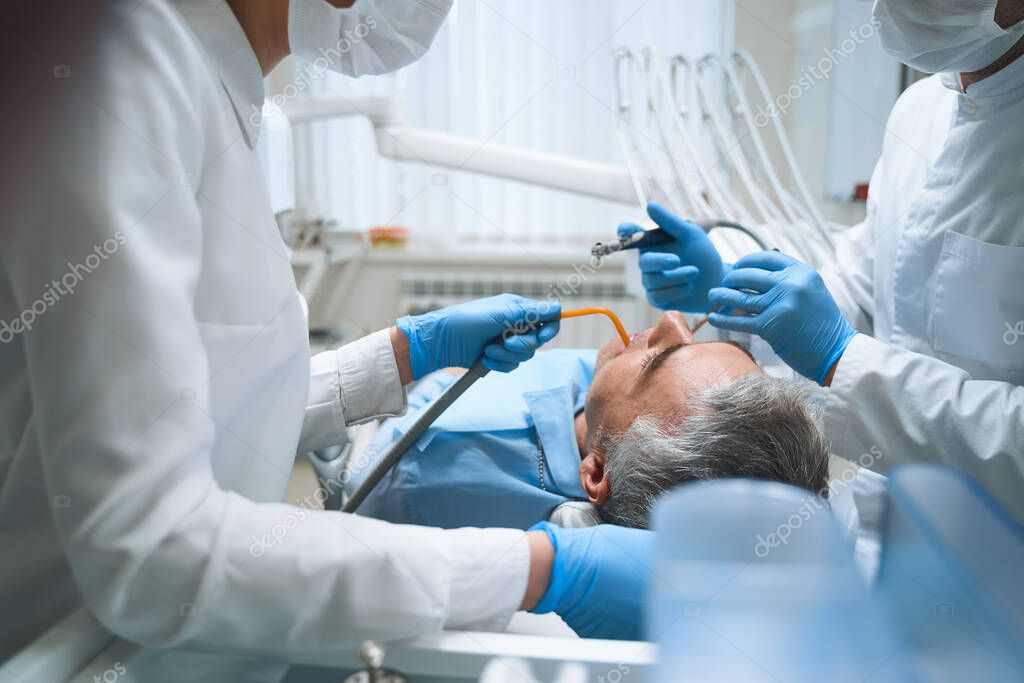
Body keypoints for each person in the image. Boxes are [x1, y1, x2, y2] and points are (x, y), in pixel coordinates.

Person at [0, 0, 649, 677]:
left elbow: (186, 397)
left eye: (668, 351)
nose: (665, 325)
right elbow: (152, 551)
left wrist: (405, 353)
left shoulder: (214, 83)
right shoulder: (121, 66)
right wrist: (535, 568)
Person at [624, 0, 1024, 522]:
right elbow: (871, 293)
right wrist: (731, 290)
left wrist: (842, 358)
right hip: (888, 530)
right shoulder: (920, 109)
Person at [349, 311, 830, 531]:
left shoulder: (425, 475)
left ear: (597, 473)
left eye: (654, 361)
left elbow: (368, 482)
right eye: (698, 341)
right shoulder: (612, 397)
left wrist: (409, 358)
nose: (671, 319)